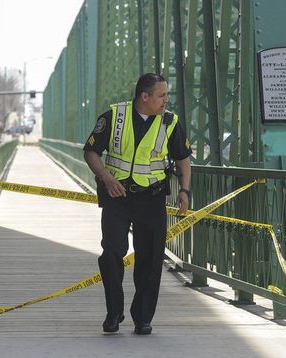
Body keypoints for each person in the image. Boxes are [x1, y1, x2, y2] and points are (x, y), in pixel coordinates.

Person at [83, 73, 192, 335]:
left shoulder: (170, 122)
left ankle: (143, 318)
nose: (166, 100)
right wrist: (106, 178)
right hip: (117, 195)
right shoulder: (114, 116)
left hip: (152, 199)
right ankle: (114, 312)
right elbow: (91, 151)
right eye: (161, 95)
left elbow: (183, 159)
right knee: (111, 253)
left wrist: (185, 191)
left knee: (151, 258)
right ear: (145, 96)